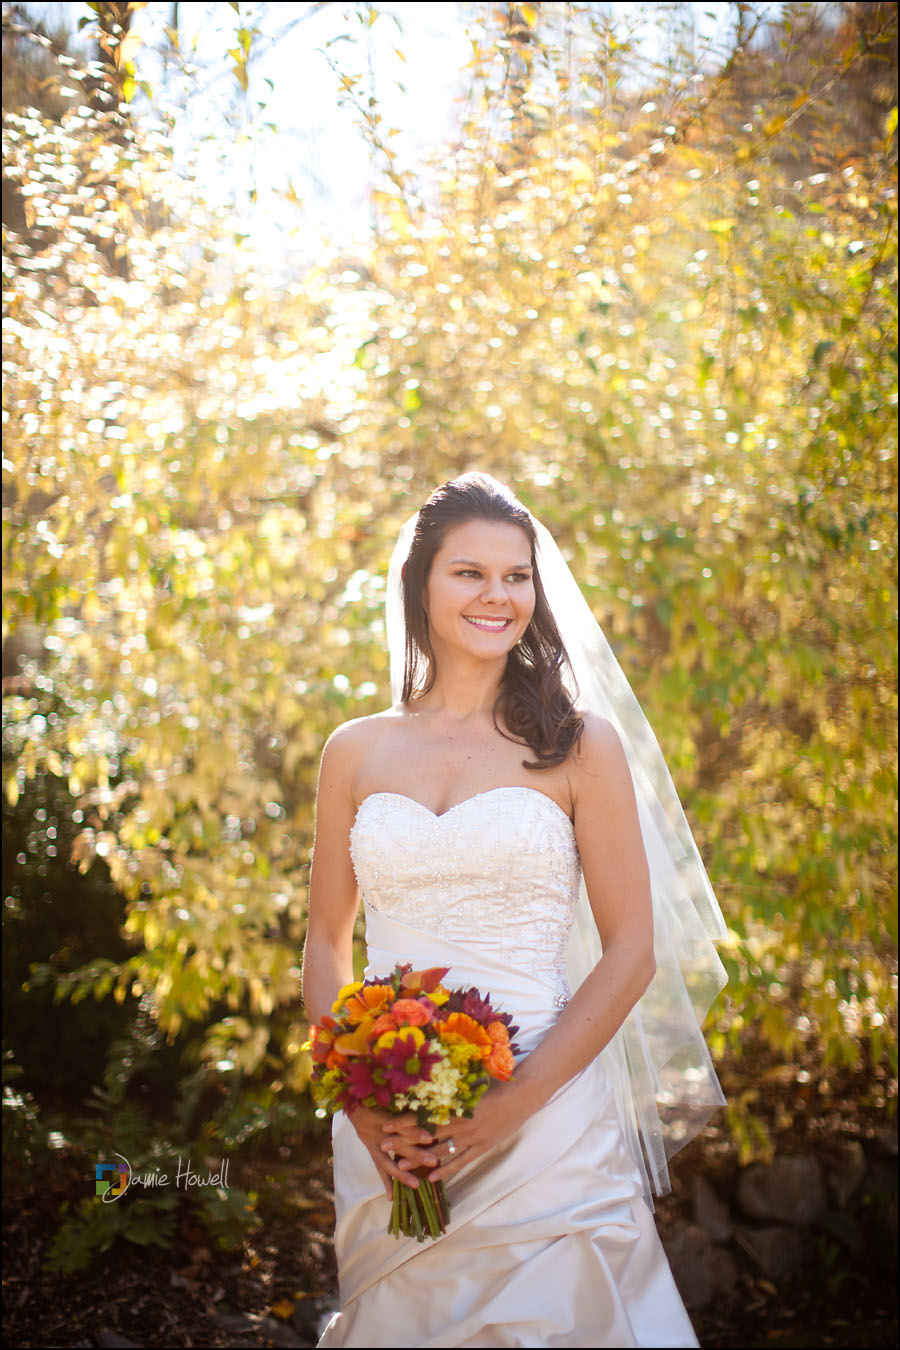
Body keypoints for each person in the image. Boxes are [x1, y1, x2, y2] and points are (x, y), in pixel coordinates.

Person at [302, 472, 727, 1348]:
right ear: (421, 584)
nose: (498, 596)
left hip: (547, 1110)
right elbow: (325, 939)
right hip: (390, 1123)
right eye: (469, 573)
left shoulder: (578, 744)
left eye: (517, 575)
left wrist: (512, 1103)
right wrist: (360, 1103)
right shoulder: (355, 750)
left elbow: (631, 952)